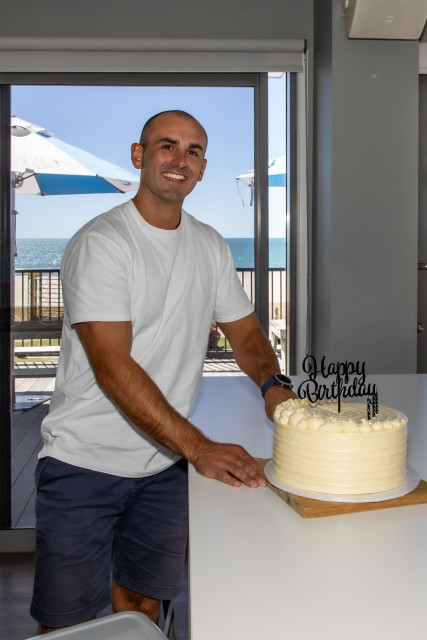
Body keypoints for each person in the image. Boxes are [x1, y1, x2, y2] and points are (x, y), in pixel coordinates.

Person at [30, 109, 295, 634]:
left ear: (202, 169)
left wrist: (272, 386)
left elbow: (246, 335)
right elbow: (113, 367)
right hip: (84, 461)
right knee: (67, 626)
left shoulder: (210, 244)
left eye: (194, 151)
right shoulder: (102, 242)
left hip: (164, 463)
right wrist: (200, 448)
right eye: (167, 145)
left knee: (143, 607)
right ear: (139, 155)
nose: (181, 160)